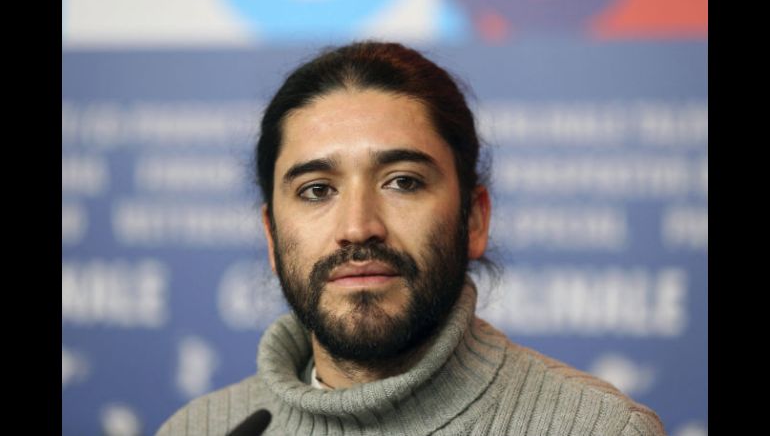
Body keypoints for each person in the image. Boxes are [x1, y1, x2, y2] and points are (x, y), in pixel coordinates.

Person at [156, 42, 666, 435]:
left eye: (402, 182)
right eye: (317, 190)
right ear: (271, 236)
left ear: (474, 219)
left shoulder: (599, 429)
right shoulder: (200, 429)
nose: (358, 227)